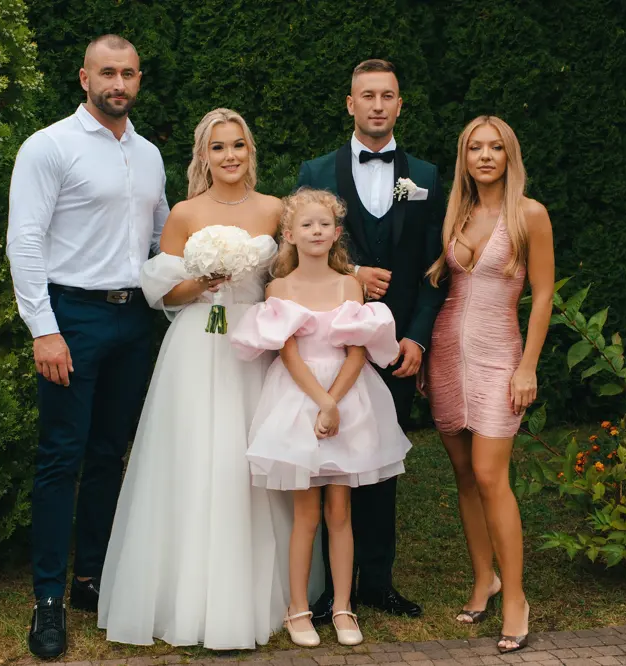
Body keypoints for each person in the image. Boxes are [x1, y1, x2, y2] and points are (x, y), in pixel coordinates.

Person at [97, 108, 294, 650]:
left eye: (238, 145)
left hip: (253, 343)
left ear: (250, 151)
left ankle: (259, 594)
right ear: (203, 156)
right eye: (218, 147)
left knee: (247, 459)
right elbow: (164, 291)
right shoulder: (185, 213)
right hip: (196, 345)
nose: (230, 156)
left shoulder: (275, 208)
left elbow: (293, 274)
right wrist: (205, 281)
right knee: (193, 458)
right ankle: (183, 596)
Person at [6, 34, 169, 660]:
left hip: (133, 321)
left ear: (138, 79)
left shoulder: (149, 155)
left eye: (128, 73)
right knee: (61, 458)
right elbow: (25, 240)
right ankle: (47, 597)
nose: (118, 84)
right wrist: (43, 328)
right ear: (84, 78)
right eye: (107, 73)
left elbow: (160, 239)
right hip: (71, 317)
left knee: (108, 455)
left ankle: (90, 579)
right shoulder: (49, 146)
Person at [296, 59, 445, 621]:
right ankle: (326, 591)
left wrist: (417, 339)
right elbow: (300, 251)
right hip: (329, 350)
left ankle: (378, 581)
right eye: (367, 95)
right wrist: (352, 274)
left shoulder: (426, 176)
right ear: (350, 103)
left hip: (397, 350)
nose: (377, 105)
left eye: (387, 96)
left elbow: (435, 270)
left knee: (382, 464)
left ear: (399, 105)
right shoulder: (316, 170)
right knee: (328, 462)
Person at [231, 188, 411, 647]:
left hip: (347, 396)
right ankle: (298, 609)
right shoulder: (279, 289)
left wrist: (335, 402)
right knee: (306, 513)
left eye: (324, 224)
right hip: (299, 398)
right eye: (306, 225)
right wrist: (321, 403)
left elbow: (358, 351)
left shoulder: (349, 285)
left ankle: (344, 607)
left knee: (340, 510)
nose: (316, 231)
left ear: (336, 234)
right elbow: (288, 354)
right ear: (290, 234)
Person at [423, 115, 554, 654]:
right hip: (446, 354)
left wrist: (528, 366)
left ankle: (516, 598)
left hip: (501, 355)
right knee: (464, 475)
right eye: (474, 147)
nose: (484, 156)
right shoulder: (455, 213)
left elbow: (543, 295)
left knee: (489, 473)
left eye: (494, 147)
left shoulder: (530, 215)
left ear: (508, 155)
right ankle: (485, 581)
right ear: (464, 157)